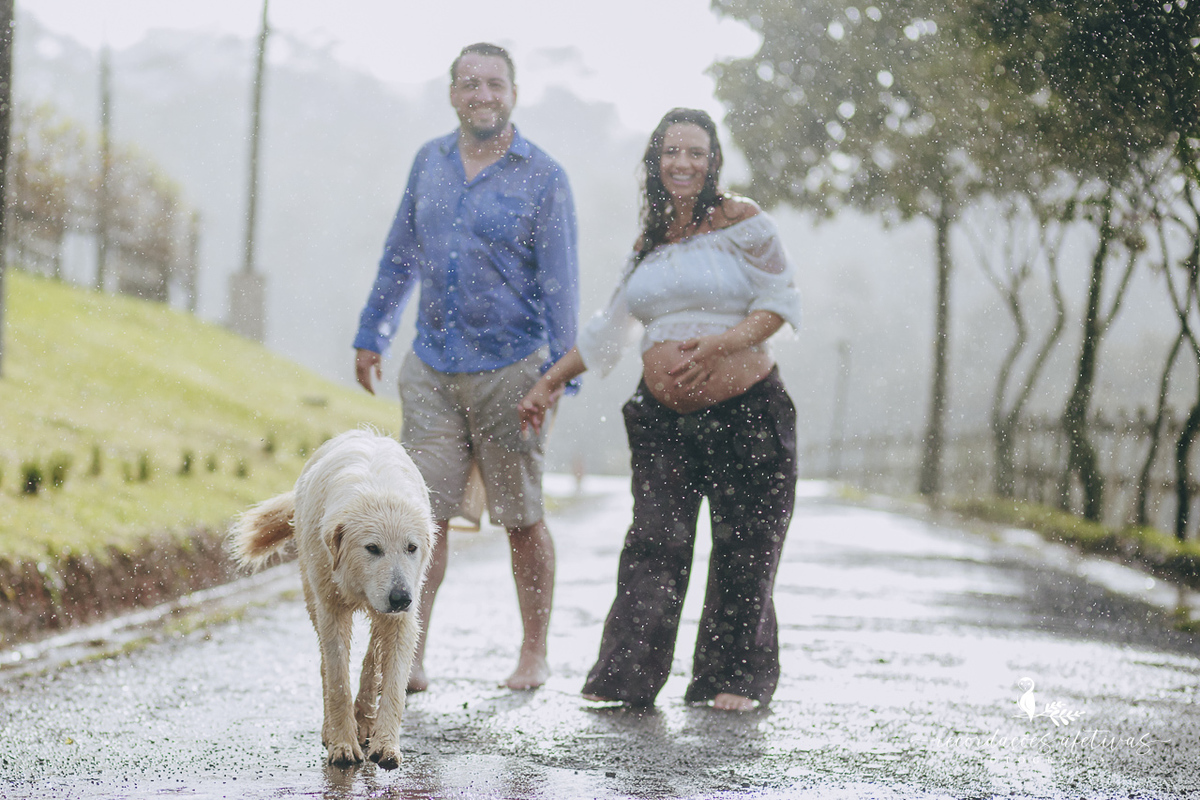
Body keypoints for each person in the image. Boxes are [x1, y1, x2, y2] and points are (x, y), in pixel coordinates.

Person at [519, 108, 800, 711]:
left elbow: (779, 304)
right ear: (655, 161)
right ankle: (626, 678)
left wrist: (721, 344)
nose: (683, 163)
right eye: (672, 151)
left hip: (747, 412)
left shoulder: (744, 221)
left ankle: (733, 678)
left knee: (745, 545)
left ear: (713, 160)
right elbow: (608, 331)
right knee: (653, 541)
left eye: (696, 152)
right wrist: (549, 383)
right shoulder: (650, 240)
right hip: (662, 421)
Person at [354, 42, 579, 692]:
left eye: (495, 85)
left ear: (514, 94)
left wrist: (559, 375)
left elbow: (561, 281)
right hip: (432, 365)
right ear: (453, 93)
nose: (483, 95)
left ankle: (533, 652)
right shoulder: (429, 161)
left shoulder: (545, 176)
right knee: (421, 518)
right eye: (471, 84)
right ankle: (409, 656)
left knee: (522, 518)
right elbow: (400, 254)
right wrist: (373, 331)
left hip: (514, 370)